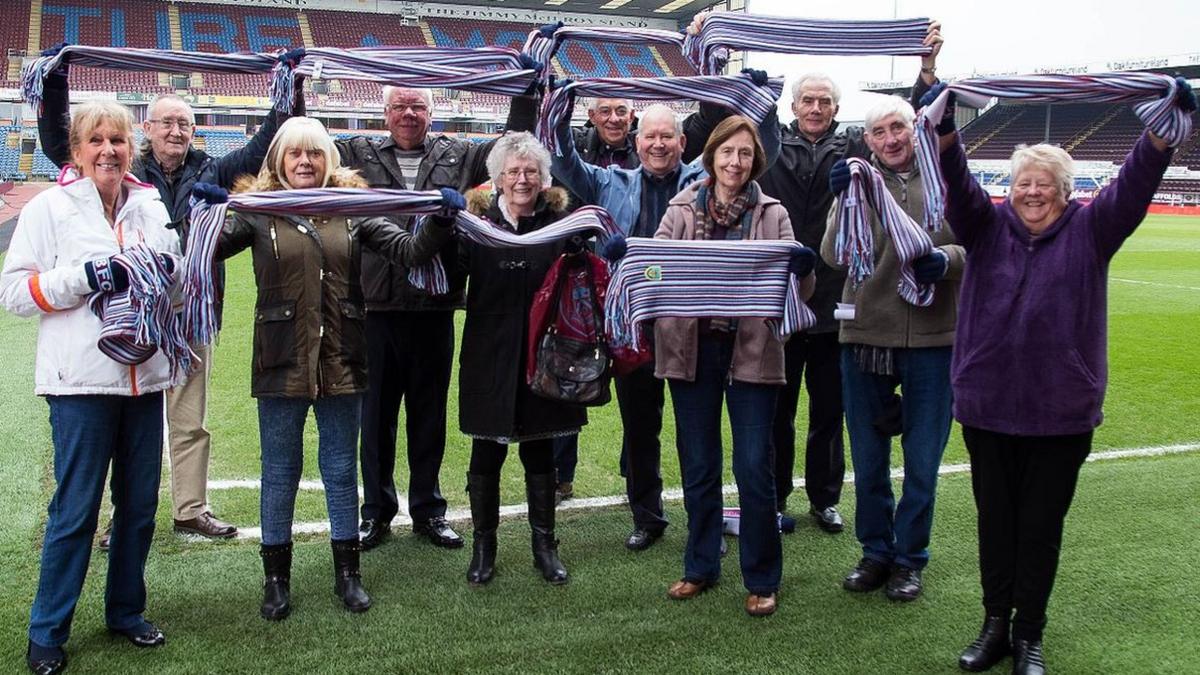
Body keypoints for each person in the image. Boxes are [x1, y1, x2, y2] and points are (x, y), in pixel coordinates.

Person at [927, 80, 1193, 674]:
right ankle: (994, 625)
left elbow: (1134, 186)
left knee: (1040, 529)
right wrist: (944, 129)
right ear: (1010, 190)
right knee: (995, 525)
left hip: (1059, 412)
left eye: (1044, 185)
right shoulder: (984, 227)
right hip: (988, 405)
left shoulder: (1093, 231)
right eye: (1023, 184)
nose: (1032, 193)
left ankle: (1029, 636)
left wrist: (1160, 134)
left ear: (1066, 192)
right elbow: (957, 185)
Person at [682, 13, 943, 535]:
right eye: (808, 100)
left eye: (826, 101)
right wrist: (711, 55)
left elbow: (913, 128)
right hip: (776, 304)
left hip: (834, 304)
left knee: (830, 413)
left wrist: (927, 71)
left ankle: (824, 497)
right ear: (792, 106)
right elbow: (707, 132)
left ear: (837, 109)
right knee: (775, 412)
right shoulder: (767, 143)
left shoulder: (853, 149)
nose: (817, 108)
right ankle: (774, 501)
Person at [37, 50, 304, 543]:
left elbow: (267, 144)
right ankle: (119, 516)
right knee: (124, 415)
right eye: (167, 123)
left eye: (185, 123)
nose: (176, 131)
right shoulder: (120, 166)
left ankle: (190, 508)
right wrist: (55, 83)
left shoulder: (213, 172)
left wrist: (288, 86)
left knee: (188, 417)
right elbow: (59, 141)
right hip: (130, 315)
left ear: (193, 131)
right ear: (148, 128)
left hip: (191, 312)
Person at [210, 117, 461, 620]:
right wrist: (203, 213)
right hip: (280, 360)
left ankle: (348, 574)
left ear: (330, 160)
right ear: (278, 161)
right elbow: (209, 249)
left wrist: (438, 219)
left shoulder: (355, 208)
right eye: (295, 155)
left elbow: (408, 252)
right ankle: (276, 581)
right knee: (279, 473)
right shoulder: (258, 211)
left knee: (342, 471)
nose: (305, 163)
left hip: (343, 358)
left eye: (315, 154)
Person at [547, 85, 781, 552]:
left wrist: (763, 108)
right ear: (636, 142)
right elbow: (563, 160)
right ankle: (647, 516)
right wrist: (559, 105)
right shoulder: (609, 182)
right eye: (650, 137)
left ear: (682, 144)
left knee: (698, 431)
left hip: (693, 326)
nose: (658, 145)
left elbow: (761, 149)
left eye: (667, 137)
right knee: (640, 425)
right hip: (633, 326)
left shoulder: (701, 180)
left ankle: (704, 522)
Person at [3, 100, 178, 675]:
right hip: (79, 385)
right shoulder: (51, 208)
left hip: (144, 380)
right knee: (75, 512)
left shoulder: (151, 205)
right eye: (96, 140)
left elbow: (175, 279)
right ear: (77, 152)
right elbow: (14, 293)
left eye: (118, 140)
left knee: (138, 510)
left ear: (133, 147)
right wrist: (83, 278)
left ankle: (125, 611)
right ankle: (47, 631)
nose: (108, 150)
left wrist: (167, 275)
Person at [338, 86, 538, 551]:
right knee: (377, 418)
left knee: (428, 417)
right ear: (384, 112)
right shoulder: (355, 152)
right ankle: (377, 512)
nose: (408, 114)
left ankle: (428, 509)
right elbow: (300, 144)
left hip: (434, 307)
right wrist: (298, 87)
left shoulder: (459, 153)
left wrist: (524, 91)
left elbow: (513, 138)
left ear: (432, 111)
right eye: (399, 106)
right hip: (376, 306)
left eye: (418, 106)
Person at [654, 116, 815, 617]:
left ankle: (763, 576)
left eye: (745, 154)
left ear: (755, 161)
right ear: (711, 155)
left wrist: (803, 271)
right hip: (692, 351)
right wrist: (637, 263)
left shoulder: (774, 214)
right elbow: (655, 269)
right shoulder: (680, 207)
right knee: (698, 464)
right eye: (727, 152)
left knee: (753, 467)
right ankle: (700, 566)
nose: (735, 162)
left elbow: (797, 293)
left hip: (752, 352)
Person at [820, 96, 965, 603]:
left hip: (934, 337)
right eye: (879, 132)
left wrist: (945, 260)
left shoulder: (946, 179)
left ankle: (910, 559)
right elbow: (834, 255)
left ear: (914, 128)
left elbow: (984, 245)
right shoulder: (858, 181)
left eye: (898, 127)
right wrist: (840, 201)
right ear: (869, 141)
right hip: (866, 336)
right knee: (869, 457)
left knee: (923, 462)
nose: (891, 139)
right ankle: (876, 552)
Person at [457, 132, 586, 585]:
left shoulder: (562, 221)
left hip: (544, 352)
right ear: (498, 178)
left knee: (540, 448)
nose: (522, 178)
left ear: (543, 176)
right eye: (513, 171)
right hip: (488, 349)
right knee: (485, 451)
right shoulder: (475, 222)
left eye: (531, 170)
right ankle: (483, 547)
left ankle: (544, 546)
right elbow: (448, 270)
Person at [552, 95, 639, 505]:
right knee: (570, 374)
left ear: (632, 115)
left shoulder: (649, 149)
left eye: (621, 110)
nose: (614, 117)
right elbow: (556, 151)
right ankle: (560, 476)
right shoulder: (576, 151)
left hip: (636, 287)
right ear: (591, 116)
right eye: (605, 110)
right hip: (581, 281)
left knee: (637, 387)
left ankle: (635, 474)